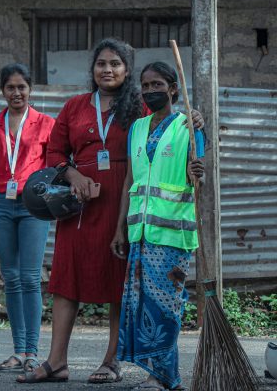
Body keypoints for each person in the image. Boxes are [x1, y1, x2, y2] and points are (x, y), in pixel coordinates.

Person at [17, 39, 204, 384]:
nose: (107, 69)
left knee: (119, 280)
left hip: (124, 203)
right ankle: (56, 361)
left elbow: (171, 125)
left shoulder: (141, 107)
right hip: (79, 203)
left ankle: (111, 361)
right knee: (66, 278)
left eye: (115, 63)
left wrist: (194, 118)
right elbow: (55, 152)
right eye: (101, 63)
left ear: (127, 70)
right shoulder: (74, 106)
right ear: (92, 69)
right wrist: (73, 176)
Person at [111, 61, 205, 391]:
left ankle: (162, 377)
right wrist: (120, 228)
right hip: (140, 232)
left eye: (158, 85)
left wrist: (197, 171)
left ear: (173, 89)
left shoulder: (189, 126)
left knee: (166, 307)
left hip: (173, 234)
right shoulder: (137, 128)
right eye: (146, 85)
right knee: (143, 307)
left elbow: (199, 173)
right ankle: (163, 377)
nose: (151, 90)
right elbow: (130, 181)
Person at [0, 63, 55, 372]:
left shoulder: (46, 123)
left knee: (31, 277)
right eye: (11, 87)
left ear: (30, 89)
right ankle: (18, 351)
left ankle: (33, 351)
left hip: (34, 206)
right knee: (11, 277)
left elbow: (54, 166)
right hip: (1, 204)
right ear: (2, 91)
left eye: (22, 87)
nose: (17, 92)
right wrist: (4, 185)